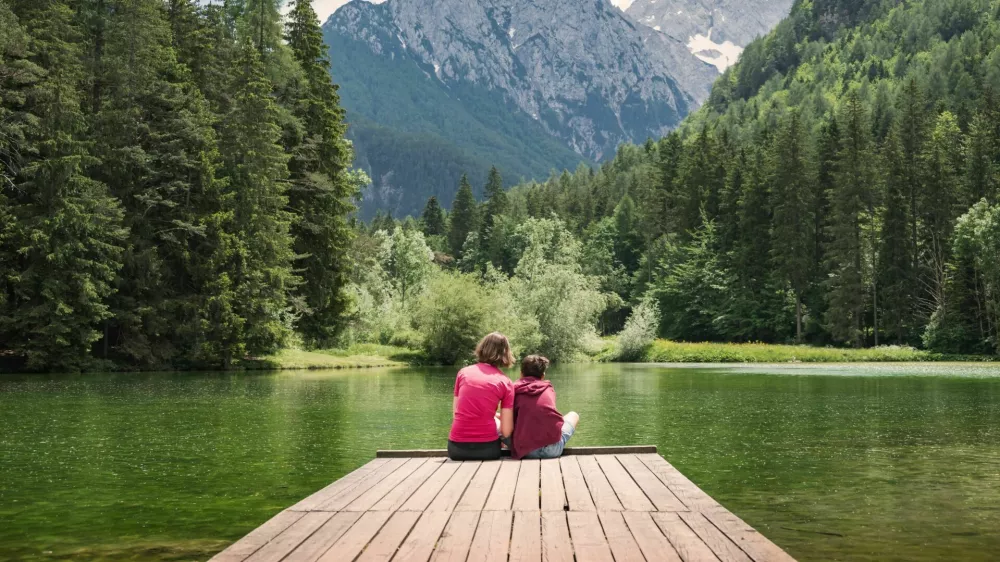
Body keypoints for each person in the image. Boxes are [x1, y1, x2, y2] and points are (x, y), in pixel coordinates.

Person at [447, 332, 515, 461]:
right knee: (503, 422)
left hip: (456, 450)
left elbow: (456, 413)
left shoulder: (463, 373)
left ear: (481, 348)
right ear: (505, 353)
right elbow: (506, 432)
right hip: (488, 451)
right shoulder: (506, 382)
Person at [510, 355, 579, 460]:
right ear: (543, 375)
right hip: (553, 450)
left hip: (525, 451)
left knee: (499, 422)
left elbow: (511, 421)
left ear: (521, 374)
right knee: (573, 415)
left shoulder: (513, 389)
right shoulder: (548, 389)